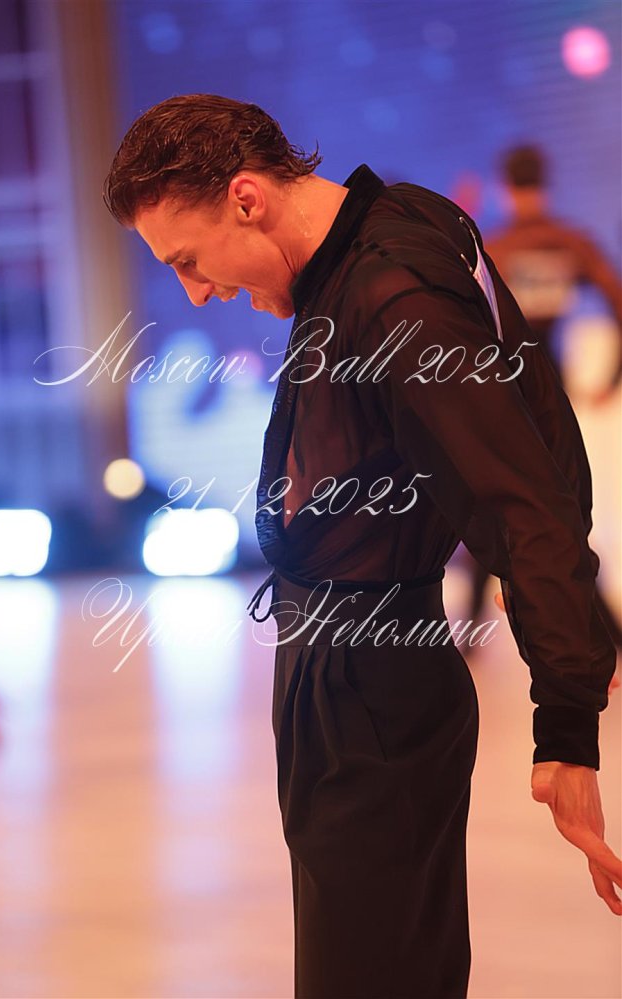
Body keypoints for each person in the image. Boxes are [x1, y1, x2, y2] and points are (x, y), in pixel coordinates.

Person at [103, 95, 621, 998]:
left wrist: (567, 721)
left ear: (247, 198)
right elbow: (538, 422)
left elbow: (520, 493)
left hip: (369, 701)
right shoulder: (402, 220)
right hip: (355, 686)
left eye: (187, 260)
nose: (196, 291)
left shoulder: (393, 291)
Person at [464, 144, 622, 653]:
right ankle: (600, 624)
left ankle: (477, 627)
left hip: (506, 392)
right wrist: (611, 378)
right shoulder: (569, 242)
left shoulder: (497, 248)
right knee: (560, 506)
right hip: (552, 391)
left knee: (500, 501)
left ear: (505, 186)